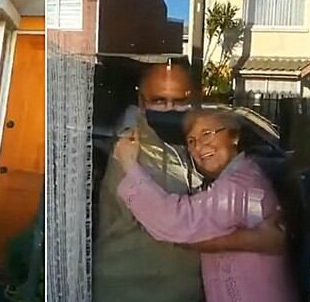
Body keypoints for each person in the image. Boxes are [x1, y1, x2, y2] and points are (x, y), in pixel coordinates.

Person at [92, 58, 285, 302]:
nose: (170, 109)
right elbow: (175, 225)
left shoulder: (193, 149)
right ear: (142, 103)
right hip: (134, 291)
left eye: (180, 101)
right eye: (159, 101)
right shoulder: (133, 150)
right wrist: (258, 240)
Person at [113, 109, 296, 302]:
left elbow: (177, 222)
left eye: (207, 134)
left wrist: (128, 164)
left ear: (233, 136)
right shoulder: (238, 177)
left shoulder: (239, 185)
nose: (199, 146)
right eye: (191, 141)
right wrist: (252, 240)